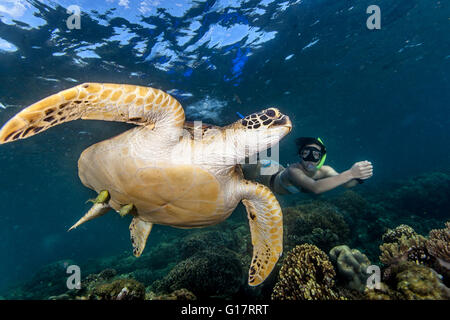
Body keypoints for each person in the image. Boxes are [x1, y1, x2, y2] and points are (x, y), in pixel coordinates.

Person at [242, 137, 373, 195]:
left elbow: (346, 184)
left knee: (253, 156)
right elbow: (316, 188)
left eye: (315, 155)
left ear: (321, 157)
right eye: (306, 153)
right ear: (300, 155)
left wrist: (360, 177)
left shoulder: (325, 170)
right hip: (262, 172)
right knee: (237, 165)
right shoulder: (294, 170)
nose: (310, 159)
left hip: (274, 169)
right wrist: (351, 173)